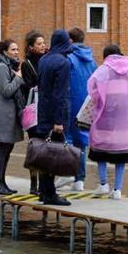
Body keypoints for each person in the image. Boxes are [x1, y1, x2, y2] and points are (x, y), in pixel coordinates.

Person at [86, 44, 128, 199]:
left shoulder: (104, 70)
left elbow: (92, 86)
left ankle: (103, 184)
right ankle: (118, 189)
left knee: (100, 149)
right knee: (122, 153)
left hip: (105, 116)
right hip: (124, 118)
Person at [35, 29, 74, 206]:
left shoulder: (44, 59)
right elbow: (60, 94)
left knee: (45, 152)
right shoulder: (63, 63)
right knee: (54, 154)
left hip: (43, 112)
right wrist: (59, 121)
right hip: (55, 115)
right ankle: (50, 193)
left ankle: (44, 191)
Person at [0, 38, 27, 195]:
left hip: (11, 112)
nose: (16, 52)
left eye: (17, 49)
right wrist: (19, 78)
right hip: (4, 112)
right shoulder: (2, 68)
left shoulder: (10, 66)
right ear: (5, 52)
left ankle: (2, 182)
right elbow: (5, 90)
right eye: (13, 49)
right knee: (3, 148)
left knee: (8, 147)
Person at [63, 27, 97, 191]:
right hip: (87, 105)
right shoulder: (92, 60)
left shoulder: (68, 59)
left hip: (71, 103)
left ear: (70, 41)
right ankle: (80, 180)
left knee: (68, 138)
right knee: (82, 142)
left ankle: (68, 172)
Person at [21, 30, 48, 194]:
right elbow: (27, 86)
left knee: (46, 147)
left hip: (45, 109)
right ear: (31, 47)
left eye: (43, 43)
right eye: (39, 43)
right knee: (34, 146)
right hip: (34, 110)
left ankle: (44, 184)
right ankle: (33, 184)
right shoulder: (27, 64)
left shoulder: (47, 60)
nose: (43, 45)